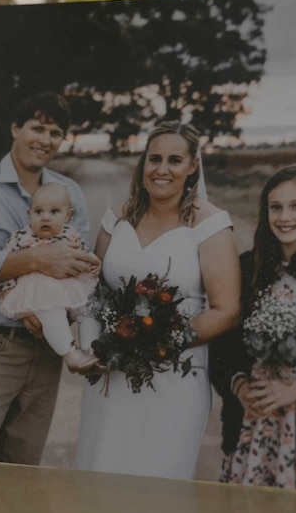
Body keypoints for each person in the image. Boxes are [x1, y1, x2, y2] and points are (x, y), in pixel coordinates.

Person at [0, 91, 100, 465]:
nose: (45, 139)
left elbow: (81, 265)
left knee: (19, 477)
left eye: (55, 132)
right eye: (37, 127)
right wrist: (33, 260)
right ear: (15, 128)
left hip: (45, 353)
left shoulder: (69, 192)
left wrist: (60, 314)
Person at [73, 120, 241, 480]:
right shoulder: (116, 219)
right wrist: (90, 347)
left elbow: (226, 311)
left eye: (174, 160)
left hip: (173, 379)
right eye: (154, 159)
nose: (162, 169)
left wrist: (156, 344)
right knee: (102, 469)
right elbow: (92, 289)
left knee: (159, 477)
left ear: (193, 165)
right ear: (143, 163)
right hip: (111, 375)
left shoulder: (209, 225)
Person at [211, 164, 296, 491]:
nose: (284, 217)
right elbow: (221, 347)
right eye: (275, 207)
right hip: (252, 427)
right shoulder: (248, 267)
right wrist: (239, 386)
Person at [0, 182, 98, 371]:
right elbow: (7, 263)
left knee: (89, 309)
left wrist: (92, 263)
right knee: (52, 312)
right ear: (29, 214)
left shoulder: (71, 235)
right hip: (38, 286)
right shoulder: (19, 237)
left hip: (69, 283)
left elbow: (83, 254)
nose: (45, 217)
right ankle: (70, 353)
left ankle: (91, 349)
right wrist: (9, 287)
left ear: (68, 216)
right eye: (38, 212)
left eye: (54, 212)